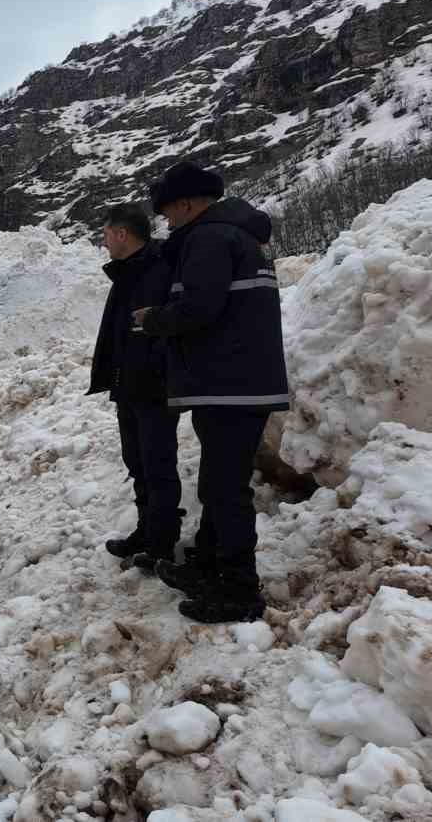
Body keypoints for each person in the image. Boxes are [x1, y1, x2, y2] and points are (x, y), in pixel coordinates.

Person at [134, 160, 290, 624]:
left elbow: (199, 308)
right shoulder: (238, 237)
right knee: (218, 483)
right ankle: (209, 562)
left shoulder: (209, 238)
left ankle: (239, 590)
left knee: (225, 490)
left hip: (229, 384)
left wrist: (153, 319)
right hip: (237, 382)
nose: (167, 222)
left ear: (185, 204)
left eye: (168, 213)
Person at [87, 203, 182, 570]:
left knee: (158, 463)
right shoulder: (129, 271)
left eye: (106, 234)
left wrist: (154, 365)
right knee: (137, 461)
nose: (103, 241)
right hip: (128, 382)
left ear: (122, 234)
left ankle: (162, 541)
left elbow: (165, 325)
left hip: (153, 384)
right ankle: (146, 531)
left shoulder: (158, 268)